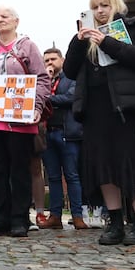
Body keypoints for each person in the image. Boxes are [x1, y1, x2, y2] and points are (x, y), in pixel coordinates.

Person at [63, 0, 135, 246]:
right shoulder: (86, 35)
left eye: (104, 5)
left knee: (130, 164)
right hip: (95, 109)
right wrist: (79, 41)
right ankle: (115, 222)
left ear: (115, 5)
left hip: (124, 108)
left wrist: (106, 42)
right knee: (103, 166)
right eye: (95, 7)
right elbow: (69, 70)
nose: (100, 11)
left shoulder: (134, 27)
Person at [0, 6, 50, 237]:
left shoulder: (27, 47)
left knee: (19, 170)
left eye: (4, 16)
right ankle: (0, 218)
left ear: (16, 21)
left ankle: (19, 219)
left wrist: (36, 106)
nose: (0, 20)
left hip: (19, 120)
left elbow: (42, 78)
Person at [40, 47, 88, 230]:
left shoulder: (72, 77)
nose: (50, 63)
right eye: (46, 60)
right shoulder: (43, 80)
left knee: (72, 176)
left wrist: (47, 98)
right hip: (48, 132)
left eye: (53, 59)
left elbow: (70, 98)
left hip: (67, 132)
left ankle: (77, 216)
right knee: (52, 177)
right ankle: (55, 215)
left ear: (62, 60)